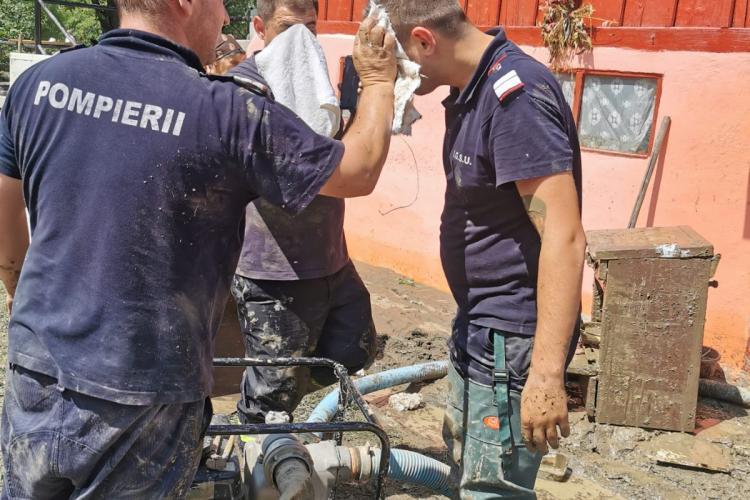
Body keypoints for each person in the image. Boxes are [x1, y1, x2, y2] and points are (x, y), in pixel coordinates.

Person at [0, 0, 397, 497]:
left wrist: (19, 289)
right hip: (145, 391)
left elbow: (6, 219)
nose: (226, 18)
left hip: (35, 370)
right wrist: (379, 83)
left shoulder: (38, 85)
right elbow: (357, 170)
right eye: (218, 3)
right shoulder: (227, 110)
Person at [379, 1, 586, 498]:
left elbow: (564, 236)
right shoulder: (469, 89)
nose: (393, 77)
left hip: (511, 337)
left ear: (424, 42)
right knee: (468, 469)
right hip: (480, 323)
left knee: (493, 488)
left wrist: (545, 375)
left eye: (396, 62)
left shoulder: (514, 98)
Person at [212, 0, 378, 426]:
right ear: (259, 28)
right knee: (272, 400)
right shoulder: (244, 89)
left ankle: (281, 409)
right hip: (273, 270)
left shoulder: (314, 79)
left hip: (330, 259)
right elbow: (345, 171)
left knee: (354, 348)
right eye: (289, 26)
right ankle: (253, 462)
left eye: (311, 27)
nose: (301, 38)